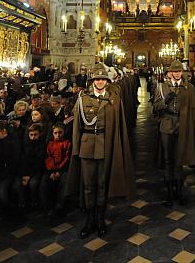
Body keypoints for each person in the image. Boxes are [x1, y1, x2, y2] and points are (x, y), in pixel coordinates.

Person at [64, 64, 135, 238]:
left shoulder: (113, 99)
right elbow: (77, 126)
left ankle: (101, 218)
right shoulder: (83, 99)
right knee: (88, 186)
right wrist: (76, 147)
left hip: (105, 145)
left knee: (102, 185)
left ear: (107, 81)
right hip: (87, 146)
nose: (100, 82)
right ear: (93, 81)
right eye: (97, 79)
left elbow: (118, 125)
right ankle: (90, 220)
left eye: (103, 79)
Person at [153, 59, 195, 206]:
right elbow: (156, 107)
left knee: (179, 160)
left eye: (179, 71)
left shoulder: (189, 87)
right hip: (167, 125)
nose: (177, 74)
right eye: (174, 71)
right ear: (170, 73)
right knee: (168, 160)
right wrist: (166, 99)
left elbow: (193, 109)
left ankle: (179, 192)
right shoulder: (161, 87)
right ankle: (169, 194)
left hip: (182, 125)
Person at [41, 123, 72, 217]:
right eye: (55, 133)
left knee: (64, 181)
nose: (58, 135)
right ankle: (48, 208)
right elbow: (48, 158)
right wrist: (51, 172)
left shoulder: (67, 143)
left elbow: (67, 159)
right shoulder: (49, 143)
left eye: (60, 132)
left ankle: (59, 206)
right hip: (50, 170)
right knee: (44, 182)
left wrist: (59, 171)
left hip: (62, 170)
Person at [14, 123, 46, 210]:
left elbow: (39, 162)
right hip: (24, 170)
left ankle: (34, 202)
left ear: (40, 134)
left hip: (36, 170)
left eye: (35, 135)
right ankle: (22, 203)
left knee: (33, 184)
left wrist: (29, 175)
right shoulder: (24, 144)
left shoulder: (42, 145)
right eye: (31, 135)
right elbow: (22, 160)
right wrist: (24, 174)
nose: (33, 137)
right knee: (17, 185)